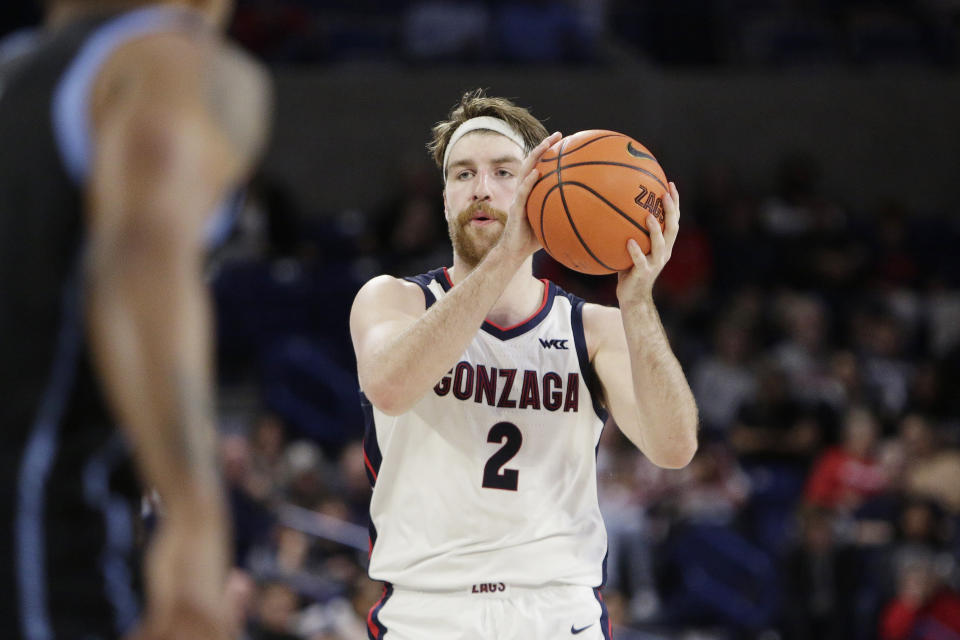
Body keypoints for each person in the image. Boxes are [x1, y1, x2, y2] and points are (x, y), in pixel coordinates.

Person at [349, 89, 698, 639]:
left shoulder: (593, 328)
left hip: (557, 611)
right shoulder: (393, 300)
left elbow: (674, 447)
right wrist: (510, 252)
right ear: (444, 199)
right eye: (462, 175)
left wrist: (637, 301)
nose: (481, 189)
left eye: (504, 172)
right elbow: (390, 386)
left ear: (540, 187)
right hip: (428, 612)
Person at [0, 0, 270, 638]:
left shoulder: (13, 68)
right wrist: (194, 520)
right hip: (40, 545)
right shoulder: (166, 62)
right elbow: (137, 263)